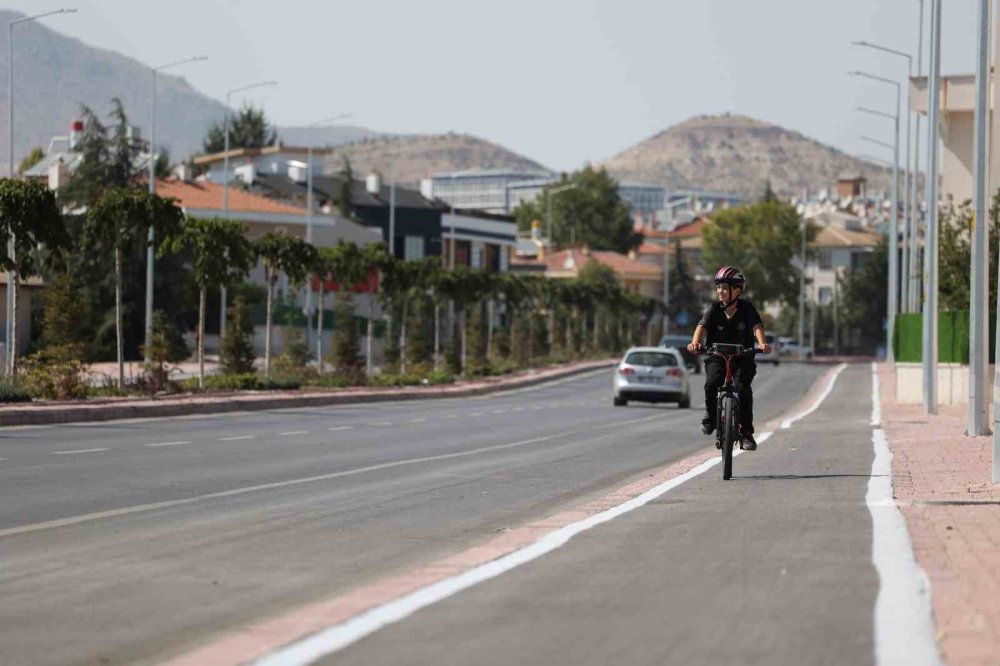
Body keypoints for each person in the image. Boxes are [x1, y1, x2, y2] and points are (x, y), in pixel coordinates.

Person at [686, 266, 772, 451]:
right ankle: (710, 419)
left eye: (724, 288)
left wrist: (762, 343)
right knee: (712, 383)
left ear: (737, 290)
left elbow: (757, 326)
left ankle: (747, 434)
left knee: (743, 389)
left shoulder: (746, 308)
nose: (720, 292)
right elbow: (702, 327)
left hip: (743, 357)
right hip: (716, 356)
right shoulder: (714, 308)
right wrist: (695, 343)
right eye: (718, 288)